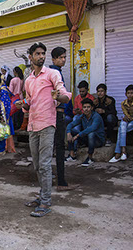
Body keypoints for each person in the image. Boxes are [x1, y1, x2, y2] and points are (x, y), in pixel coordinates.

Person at [15, 42, 71, 217]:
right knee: (38, 165)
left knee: (45, 165)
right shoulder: (29, 80)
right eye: (37, 54)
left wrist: (59, 97)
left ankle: (46, 202)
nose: (41, 56)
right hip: (33, 125)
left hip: (47, 124)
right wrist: (22, 105)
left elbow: (65, 95)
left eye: (43, 53)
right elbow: (29, 102)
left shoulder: (53, 74)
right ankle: (42, 196)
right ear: (30, 57)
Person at [49, 46, 77, 191]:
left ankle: (56, 178)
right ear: (54, 59)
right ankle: (61, 182)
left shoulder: (55, 72)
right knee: (59, 147)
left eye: (65, 57)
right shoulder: (55, 73)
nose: (63, 60)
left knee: (55, 147)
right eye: (61, 57)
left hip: (57, 114)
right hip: (57, 114)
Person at [66, 98, 105, 166]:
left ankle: (90, 158)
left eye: (88, 107)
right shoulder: (82, 116)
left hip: (98, 140)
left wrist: (78, 135)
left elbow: (92, 128)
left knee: (91, 133)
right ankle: (72, 155)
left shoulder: (96, 116)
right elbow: (71, 124)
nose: (86, 109)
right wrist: (68, 133)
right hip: (87, 139)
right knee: (72, 131)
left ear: (92, 108)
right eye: (84, 107)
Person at [109, 84, 133, 163]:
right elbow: (126, 114)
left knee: (121, 129)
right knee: (122, 125)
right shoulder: (123, 103)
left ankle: (118, 153)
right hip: (128, 122)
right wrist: (127, 118)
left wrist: (128, 118)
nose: (130, 95)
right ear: (125, 94)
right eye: (128, 93)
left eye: (131, 93)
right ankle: (123, 151)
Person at [0, 72, 15, 155]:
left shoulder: (3, 90)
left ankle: (1, 150)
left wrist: (3, 115)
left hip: (2, 114)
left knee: (1, 131)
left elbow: (5, 104)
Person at [9, 66, 24, 131]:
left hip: (14, 98)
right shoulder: (22, 80)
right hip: (21, 97)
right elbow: (23, 89)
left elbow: (10, 91)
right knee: (20, 113)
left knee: (14, 113)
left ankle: (14, 127)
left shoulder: (13, 80)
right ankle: (19, 126)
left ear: (15, 72)